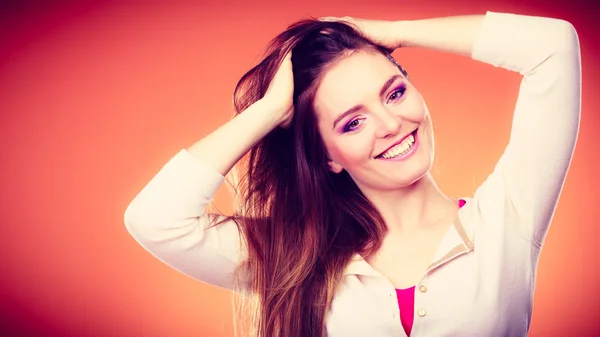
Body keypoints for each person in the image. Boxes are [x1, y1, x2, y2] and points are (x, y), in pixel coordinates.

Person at [124, 10, 581, 337]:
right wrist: (268, 111)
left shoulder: (508, 220)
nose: (390, 124)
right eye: (352, 122)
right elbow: (156, 221)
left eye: (395, 93)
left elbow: (553, 46)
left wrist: (388, 33)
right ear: (328, 157)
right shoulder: (296, 258)